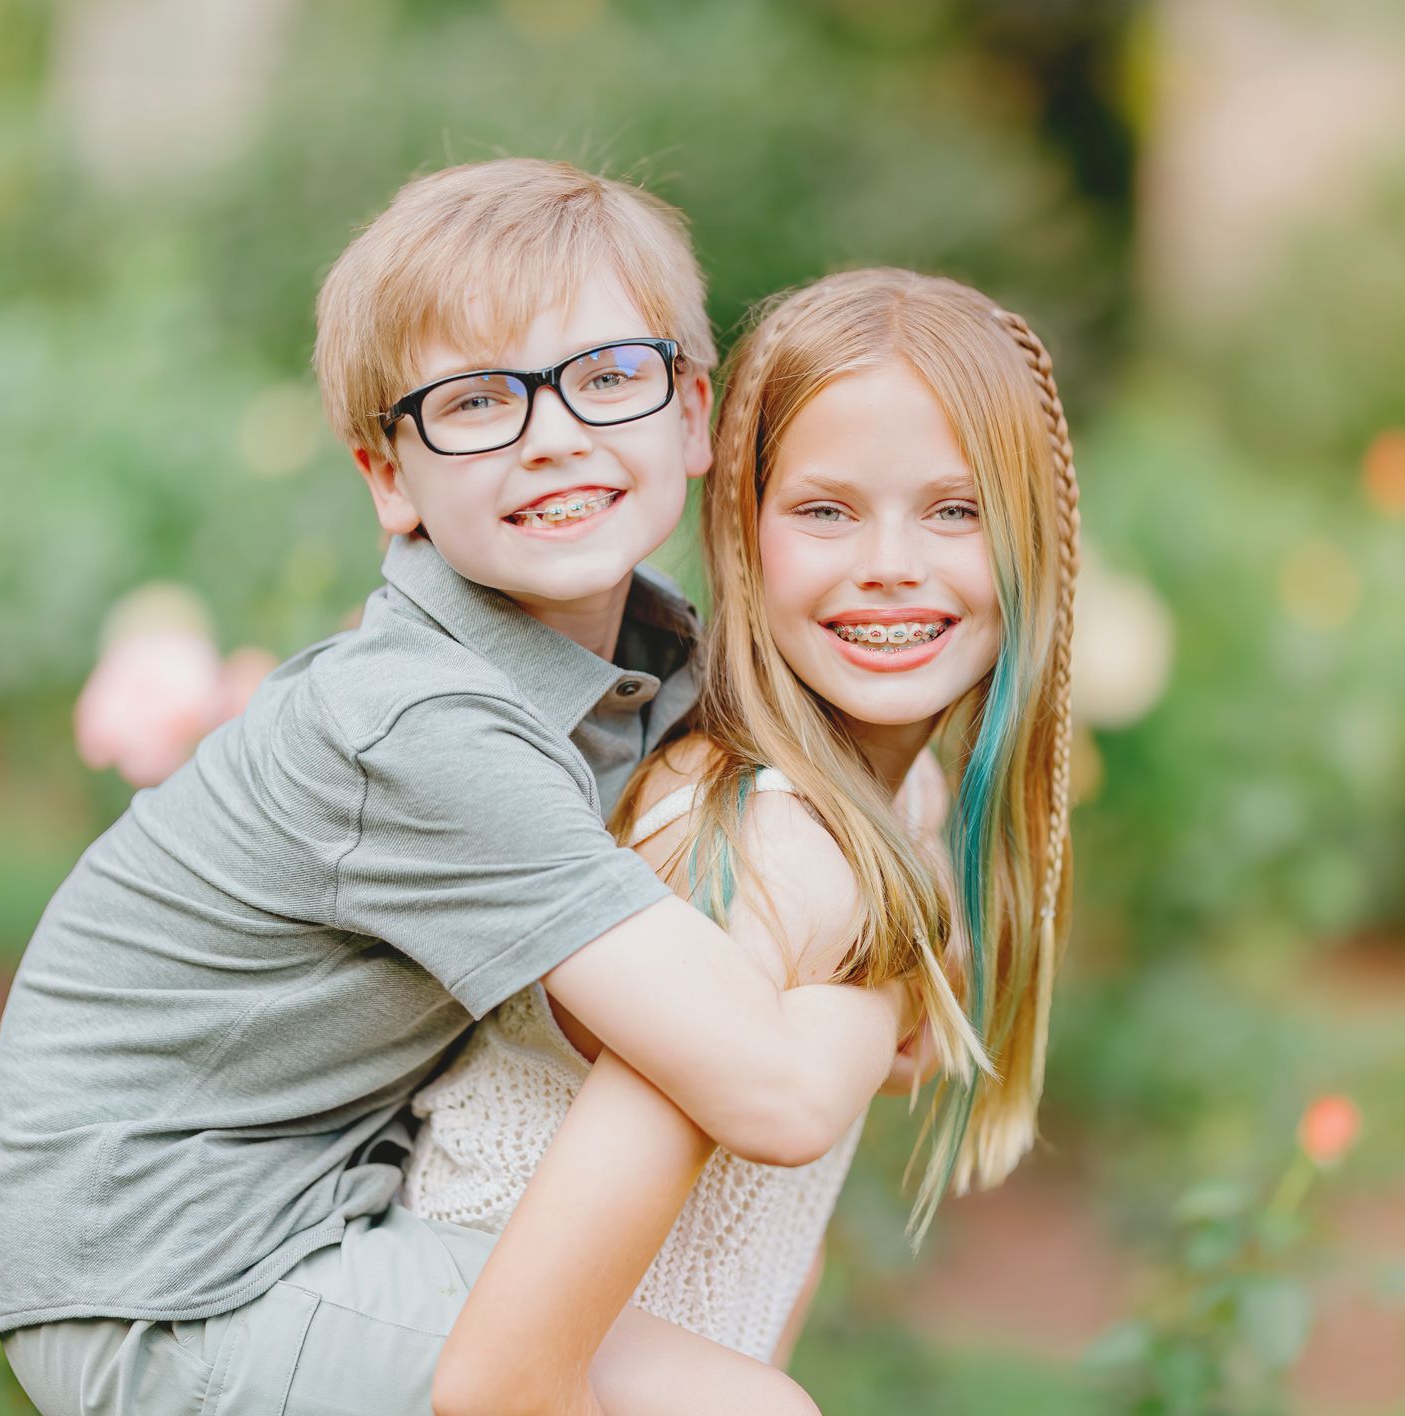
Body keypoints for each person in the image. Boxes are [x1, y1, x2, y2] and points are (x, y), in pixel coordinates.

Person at [0, 160, 912, 1416]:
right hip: (171, 1278)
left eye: (608, 374)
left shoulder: (654, 655)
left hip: (312, 1207)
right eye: (474, 402)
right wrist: (881, 984)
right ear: (388, 479)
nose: (555, 433)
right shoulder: (416, 729)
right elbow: (777, 1094)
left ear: (692, 412)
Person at [410, 267, 1082, 1416]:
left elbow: (752, 1269)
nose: (890, 562)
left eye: (955, 509)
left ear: (1037, 538)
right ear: (745, 531)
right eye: (825, 510)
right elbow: (502, 1379)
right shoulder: (759, 846)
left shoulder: (896, 807)